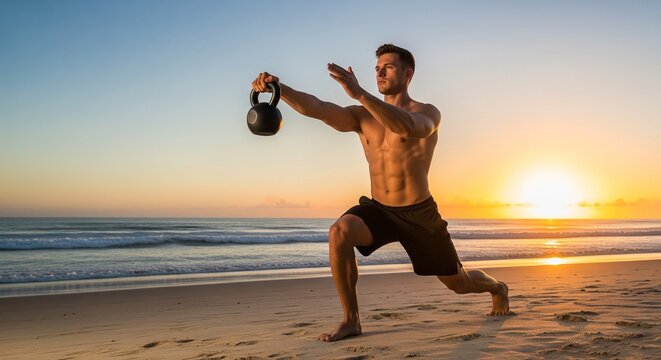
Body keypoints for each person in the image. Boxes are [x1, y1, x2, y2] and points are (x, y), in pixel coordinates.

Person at [251, 44, 511, 342]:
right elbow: (319, 108)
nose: (379, 72)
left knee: (459, 283)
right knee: (339, 232)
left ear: (408, 73)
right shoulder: (362, 117)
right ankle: (351, 320)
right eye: (377, 68)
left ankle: (497, 288)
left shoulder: (427, 113)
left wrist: (360, 93)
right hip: (380, 209)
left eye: (387, 67)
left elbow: (408, 127)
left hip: (419, 213)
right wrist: (279, 88)